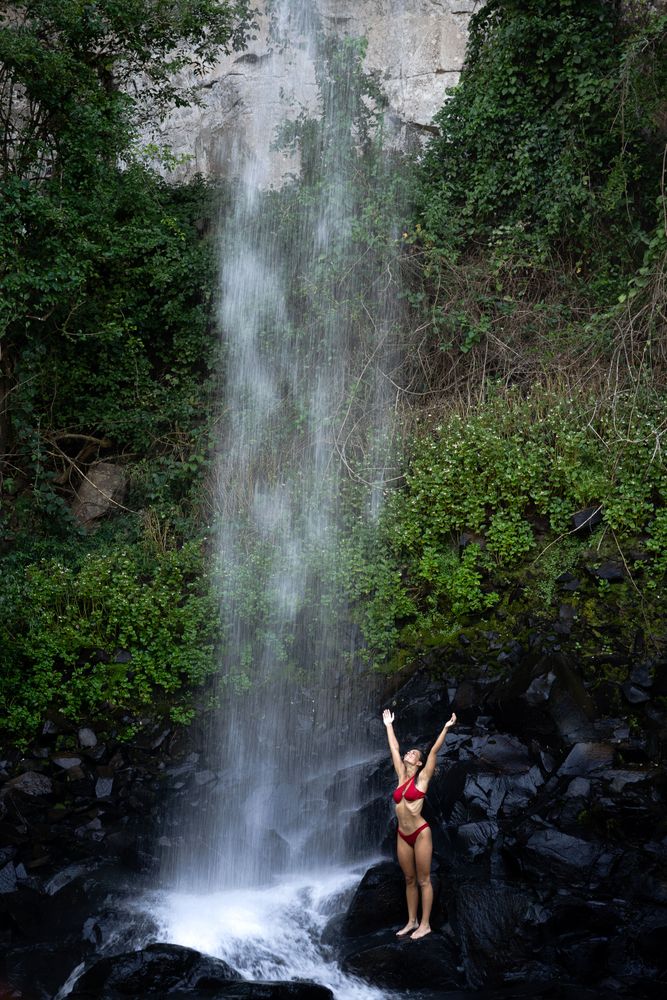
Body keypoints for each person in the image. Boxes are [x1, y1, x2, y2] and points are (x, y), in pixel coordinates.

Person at [382, 707, 457, 940]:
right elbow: (394, 748)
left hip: (421, 833)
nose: (409, 753)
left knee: (424, 879)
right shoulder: (400, 776)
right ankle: (411, 921)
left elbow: (434, 751)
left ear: (419, 763)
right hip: (402, 834)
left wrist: (445, 728)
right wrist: (388, 726)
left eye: (414, 753)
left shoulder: (422, 779)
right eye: (410, 752)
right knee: (409, 879)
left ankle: (425, 924)